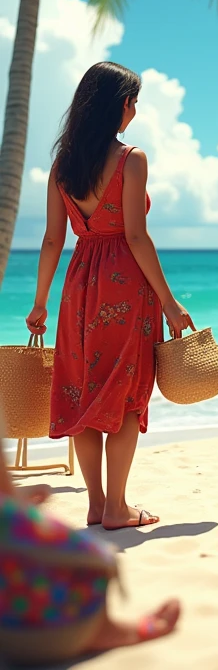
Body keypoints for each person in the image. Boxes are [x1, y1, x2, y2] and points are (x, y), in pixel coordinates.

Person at [26, 62, 192, 530]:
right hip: (125, 285)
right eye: (134, 102)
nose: (135, 111)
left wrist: (40, 302)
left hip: (79, 287)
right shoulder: (131, 159)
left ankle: (96, 503)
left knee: (83, 394)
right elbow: (137, 237)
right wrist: (168, 301)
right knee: (124, 395)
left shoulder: (63, 166)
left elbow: (52, 240)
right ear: (121, 105)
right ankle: (117, 507)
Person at [0, 411, 180, 662]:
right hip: (31, 632)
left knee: (80, 404)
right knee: (127, 404)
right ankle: (103, 629)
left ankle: (97, 505)